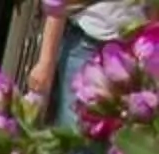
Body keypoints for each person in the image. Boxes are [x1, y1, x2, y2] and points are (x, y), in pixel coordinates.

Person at [32, 0, 148, 128]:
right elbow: (58, 5)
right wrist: (45, 63)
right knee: (75, 127)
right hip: (84, 46)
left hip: (133, 51)